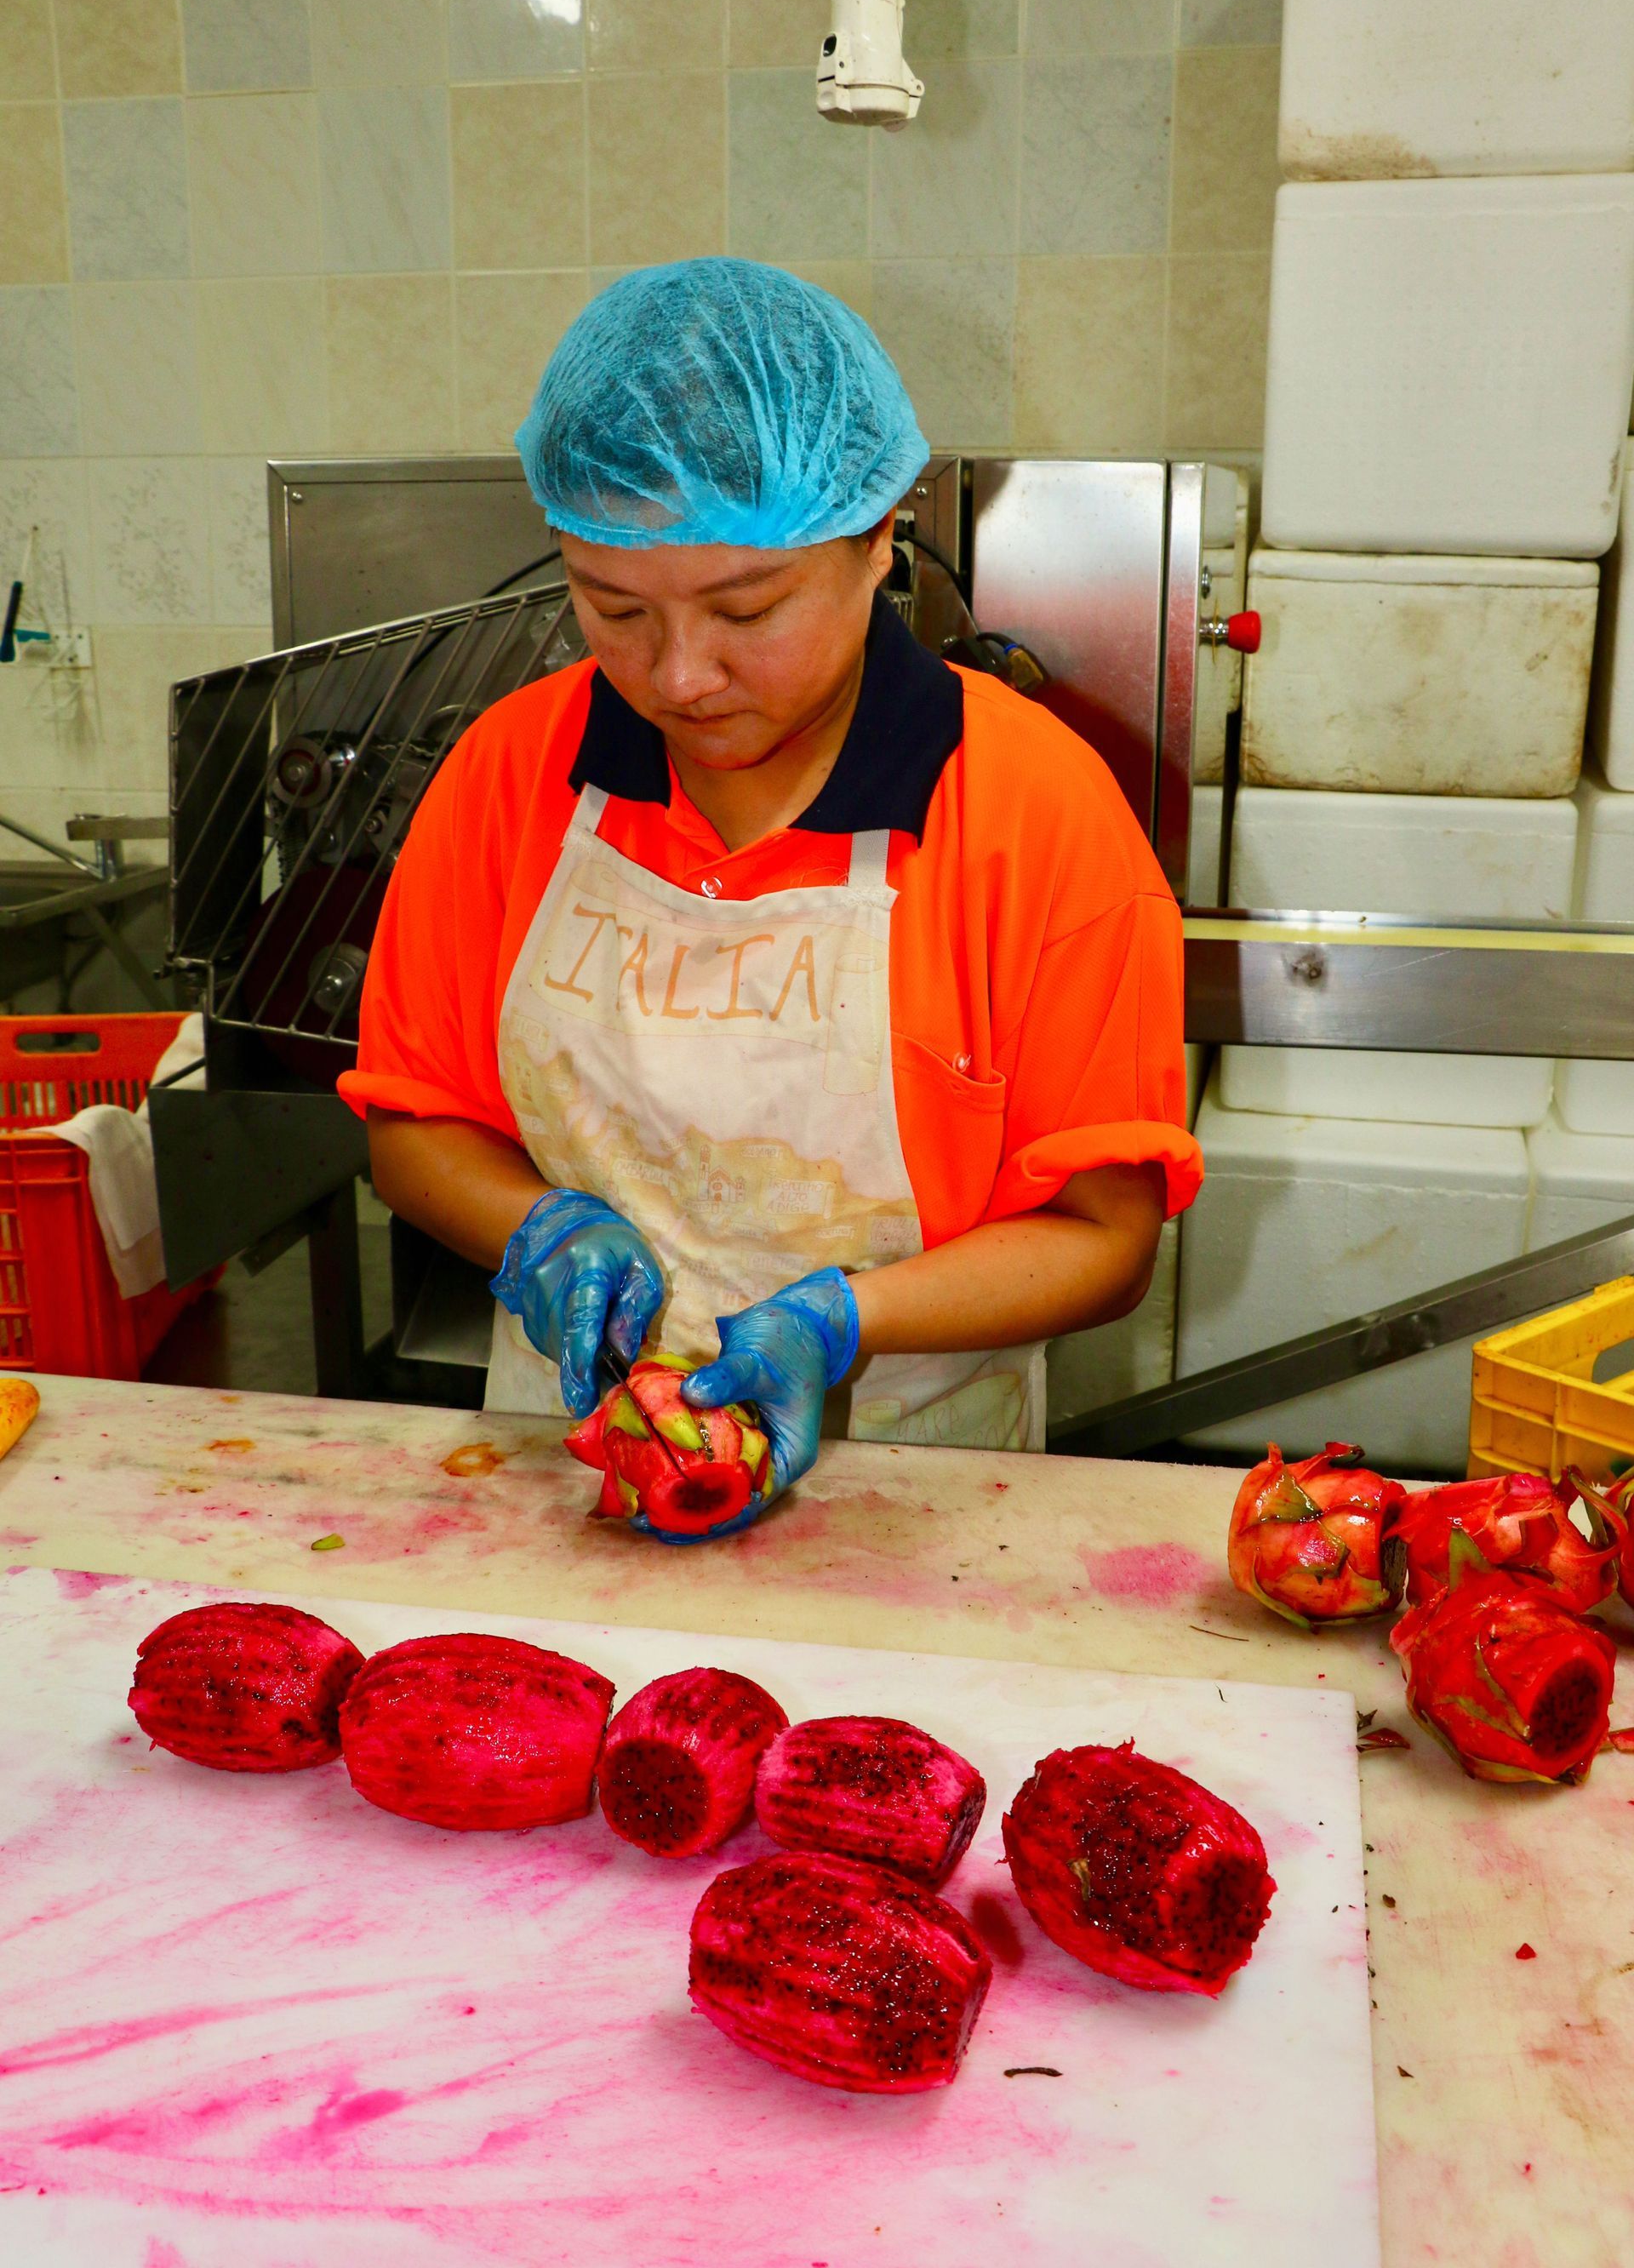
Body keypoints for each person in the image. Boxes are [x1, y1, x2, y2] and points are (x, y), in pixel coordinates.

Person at [340, 257, 1201, 1532]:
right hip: (569, 1470)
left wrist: (844, 1320)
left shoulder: (1035, 811)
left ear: (876, 543)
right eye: (612, 607)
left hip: (920, 1494)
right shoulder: (511, 775)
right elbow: (414, 1128)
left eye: (748, 608)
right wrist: (544, 1230)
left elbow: (1104, 1229)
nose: (682, 677)